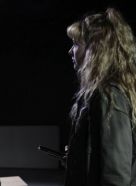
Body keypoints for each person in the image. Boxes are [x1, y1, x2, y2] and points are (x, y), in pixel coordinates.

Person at [65, 8, 136, 186]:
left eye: (76, 44)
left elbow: (116, 176)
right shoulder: (98, 94)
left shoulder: (109, 95)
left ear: (94, 49)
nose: (70, 51)